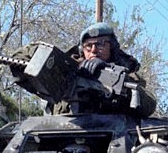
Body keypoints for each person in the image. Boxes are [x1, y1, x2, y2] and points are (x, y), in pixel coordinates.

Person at [12, 23, 157, 117]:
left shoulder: (126, 75)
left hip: (111, 137)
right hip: (62, 134)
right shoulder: (66, 70)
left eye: (100, 44)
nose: (93, 50)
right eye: (88, 46)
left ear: (111, 47)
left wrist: (108, 75)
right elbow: (19, 63)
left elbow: (148, 104)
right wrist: (38, 52)